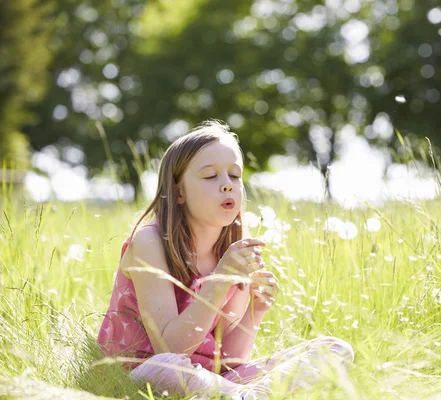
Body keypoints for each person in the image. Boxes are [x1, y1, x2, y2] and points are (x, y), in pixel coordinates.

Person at [97, 120, 354, 399]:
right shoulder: (150, 243)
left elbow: (227, 361)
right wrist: (219, 280)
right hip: (144, 375)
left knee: (336, 349)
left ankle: (249, 397)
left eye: (234, 175)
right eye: (210, 177)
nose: (227, 186)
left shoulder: (231, 251)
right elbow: (169, 348)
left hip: (213, 382)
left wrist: (254, 311)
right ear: (179, 191)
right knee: (166, 367)